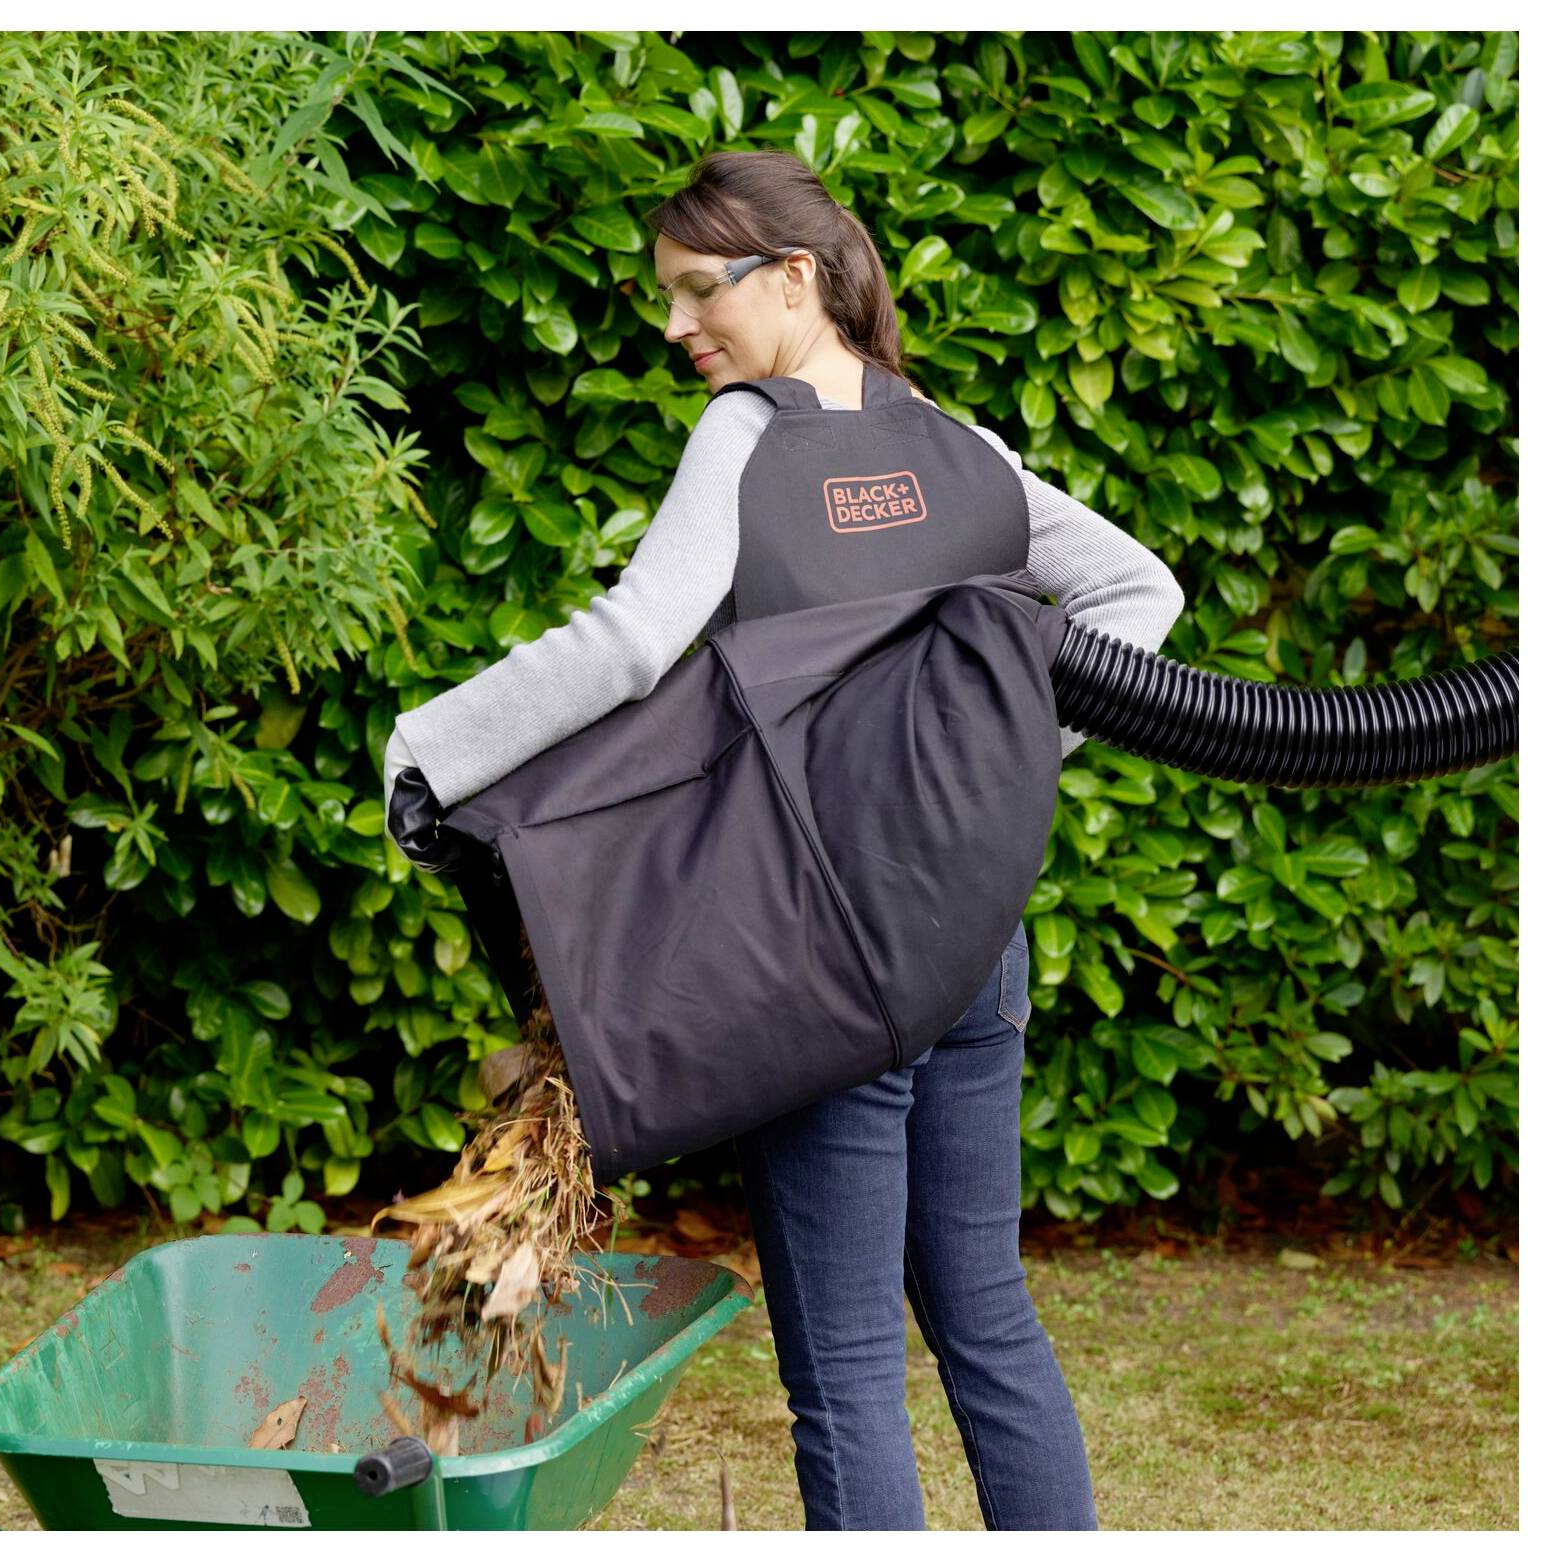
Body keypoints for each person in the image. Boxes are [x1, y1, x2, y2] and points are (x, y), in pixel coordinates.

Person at [382, 150, 1184, 1530]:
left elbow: (634, 640)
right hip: (975, 948)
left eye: (700, 290)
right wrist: (985, 776)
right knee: (986, 1309)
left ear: (796, 277)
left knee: (850, 1361)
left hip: (820, 968)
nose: (678, 325)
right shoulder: (961, 448)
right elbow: (1138, 590)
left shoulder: (749, 434)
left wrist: (432, 745)